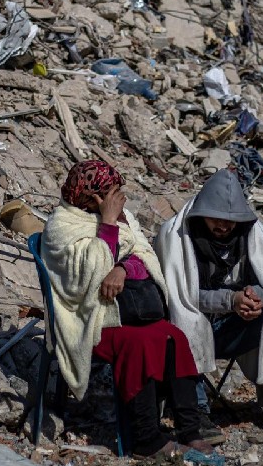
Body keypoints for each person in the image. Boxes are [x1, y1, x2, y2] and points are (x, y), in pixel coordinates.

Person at [40, 160, 208, 458]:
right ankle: (146, 439)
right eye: (113, 193)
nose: (122, 200)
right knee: (140, 344)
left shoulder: (125, 217)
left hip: (129, 310)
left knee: (173, 337)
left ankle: (190, 430)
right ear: (93, 197)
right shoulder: (61, 226)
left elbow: (143, 254)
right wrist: (107, 224)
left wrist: (122, 268)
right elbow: (86, 280)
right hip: (88, 316)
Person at [155, 169, 263, 440]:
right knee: (184, 327)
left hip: (232, 326)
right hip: (193, 327)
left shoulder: (250, 233)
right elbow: (180, 297)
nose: (224, 226)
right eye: (216, 219)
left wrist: (256, 297)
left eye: (230, 221)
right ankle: (196, 412)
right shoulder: (176, 237)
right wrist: (230, 300)